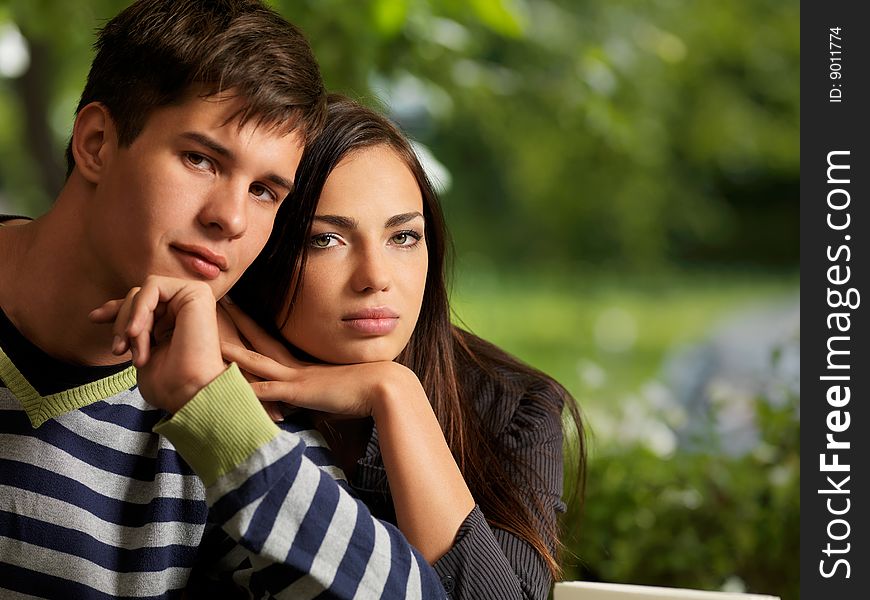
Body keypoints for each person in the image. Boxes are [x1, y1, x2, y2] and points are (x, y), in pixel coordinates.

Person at [0, 2, 447, 598]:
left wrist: (210, 413)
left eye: (264, 191)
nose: (231, 219)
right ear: (97, 143)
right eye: (201, 160)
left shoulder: (229, 414)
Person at [221, 95, 587, 600]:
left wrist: (395, 395)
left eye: (403, 237)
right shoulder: (201, 387)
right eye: (326, 240)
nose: (375, 278)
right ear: (265, 250)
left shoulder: (513, 406)